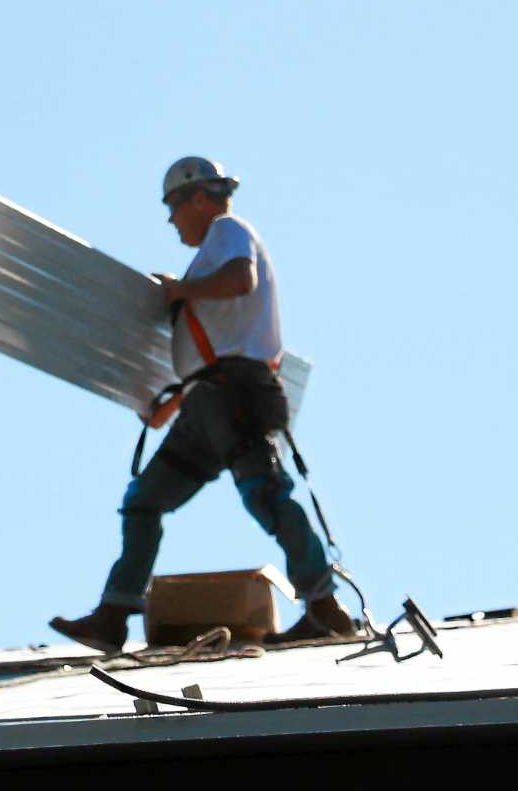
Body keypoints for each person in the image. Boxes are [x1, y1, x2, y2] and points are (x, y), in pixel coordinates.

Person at [49, 156, 355, 654]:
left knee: (267, 494)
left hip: (236, 393)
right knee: (145, 501)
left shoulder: (227, 231)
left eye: (172, 205)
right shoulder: (210, 252)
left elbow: (241, 280)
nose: (170, 219)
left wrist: (181, 290)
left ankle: (325, 608)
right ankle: (112, 616)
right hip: (210, 402)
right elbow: (213, 336)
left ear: (198, 197)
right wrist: (166, 408)